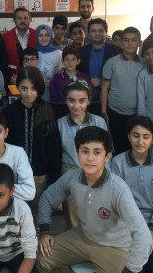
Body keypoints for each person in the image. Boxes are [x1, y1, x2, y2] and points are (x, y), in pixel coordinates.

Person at [36, 126, 152, 273]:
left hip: (115, 247)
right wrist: (45, 231)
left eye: (97, 152)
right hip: (83, 237)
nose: (90, 158)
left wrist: (130, 269)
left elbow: (143, 235)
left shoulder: (118, 189)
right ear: (77, 154)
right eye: (85, 151)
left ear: (107, 157)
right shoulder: (72, 177)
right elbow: (47, 198)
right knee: (43, 256)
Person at [109, 116, 153, 273]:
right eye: (136, 136)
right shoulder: (117, 163)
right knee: (134, 268)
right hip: (127, 225)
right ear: (129, 136)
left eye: (146, 137)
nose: (140, 141)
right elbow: (116, 200)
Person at [4, 67, 62, 219]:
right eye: (24, 88)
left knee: (37, 216)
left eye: (33, 88)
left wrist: (54, 180)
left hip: (41, 176)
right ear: (18, 88)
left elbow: (54, 149)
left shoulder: (47, 111)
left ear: (40, 88)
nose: (29, 93)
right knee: (16, 216)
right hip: (15, 175)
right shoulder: (9, 112)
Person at [57, 79, 107, 229]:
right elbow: (55, 157)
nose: (76, 105)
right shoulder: (59, 124)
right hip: (70, 174)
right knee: (74, 220)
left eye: (82, 101)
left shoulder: (99, 122)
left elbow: (107, 153)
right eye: (71, 100)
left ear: (89, 101)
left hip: (97, 173)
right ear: (65, 100)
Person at [100, 26, 146, 154]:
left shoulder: (145, 64)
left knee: (134, 148)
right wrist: (104, 113)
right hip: (115, 113)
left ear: (139, 43)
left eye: (134, 40)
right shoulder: (111, 62)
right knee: (116, 148)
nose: (130, 43)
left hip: (137, 114)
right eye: (126, 40)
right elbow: (104, 89)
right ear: (121, 42)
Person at [79, 18, 121, 101]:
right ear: (88, 33)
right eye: (93, 31)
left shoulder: (117, 52)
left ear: (106, 32)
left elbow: (121, 76)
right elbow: (77, 73)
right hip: (85, 99)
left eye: (101, 30)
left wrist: (103, 81)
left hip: (110, 100)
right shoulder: (81, 52)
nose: (97, 33)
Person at [3, 7, 36, 84]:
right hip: (12, 82)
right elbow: (3, 61)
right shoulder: (5, 37)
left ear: (30, 19)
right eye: (19, 18)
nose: (23, 21)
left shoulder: (37, 35)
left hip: (33, 80)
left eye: (25, 18)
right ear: (14, 20)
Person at [35, 24, 63, 100]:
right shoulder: (32, 53)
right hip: (34, 92)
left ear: (50, 36)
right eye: (40, 35)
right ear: (36, 37)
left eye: (47, 35)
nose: (44, 38)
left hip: (53, 91)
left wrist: (53, 81)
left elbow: (62, 74)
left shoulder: (58, 53)